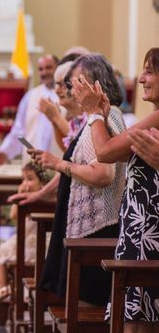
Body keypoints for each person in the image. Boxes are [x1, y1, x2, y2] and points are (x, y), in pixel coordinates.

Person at [74, 47, 159, 333]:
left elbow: (107, 153)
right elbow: (122, 147)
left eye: (150, 71)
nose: (142, 78)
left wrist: (94, 114)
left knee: (137, 326)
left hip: (148, 233)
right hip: (141, 229)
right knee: (138, 323)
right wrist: (107, 114)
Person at [31, 55, 126, 312]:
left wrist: (61, 165)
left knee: (87, 309)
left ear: (95, 84)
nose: (71, 91)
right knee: (78, 307)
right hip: (87, 228)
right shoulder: (94, 119)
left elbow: (104, 174)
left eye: (75, 84)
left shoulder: (110, 116)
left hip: (99, 229)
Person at [0, 162, 52, 305]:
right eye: (23, 179)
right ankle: (5, 289)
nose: (25, 183)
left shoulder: (31, 200)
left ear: (43, 183)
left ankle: (3, 287)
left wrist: (19, 195)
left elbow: (13, 215)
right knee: (2, 253)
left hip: (31, 245)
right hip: (33, 244)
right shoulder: (48, 199)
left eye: (30, 179)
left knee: (0, 254)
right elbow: (14, 216)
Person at [0, 55, 60, 167]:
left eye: (48, 68)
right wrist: (5, 151)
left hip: (58, 160)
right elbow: (19, 130)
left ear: (58, 68)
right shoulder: (30, 96)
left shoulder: (65, 97)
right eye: (40, 69)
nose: (44, 72)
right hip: (32, 161)